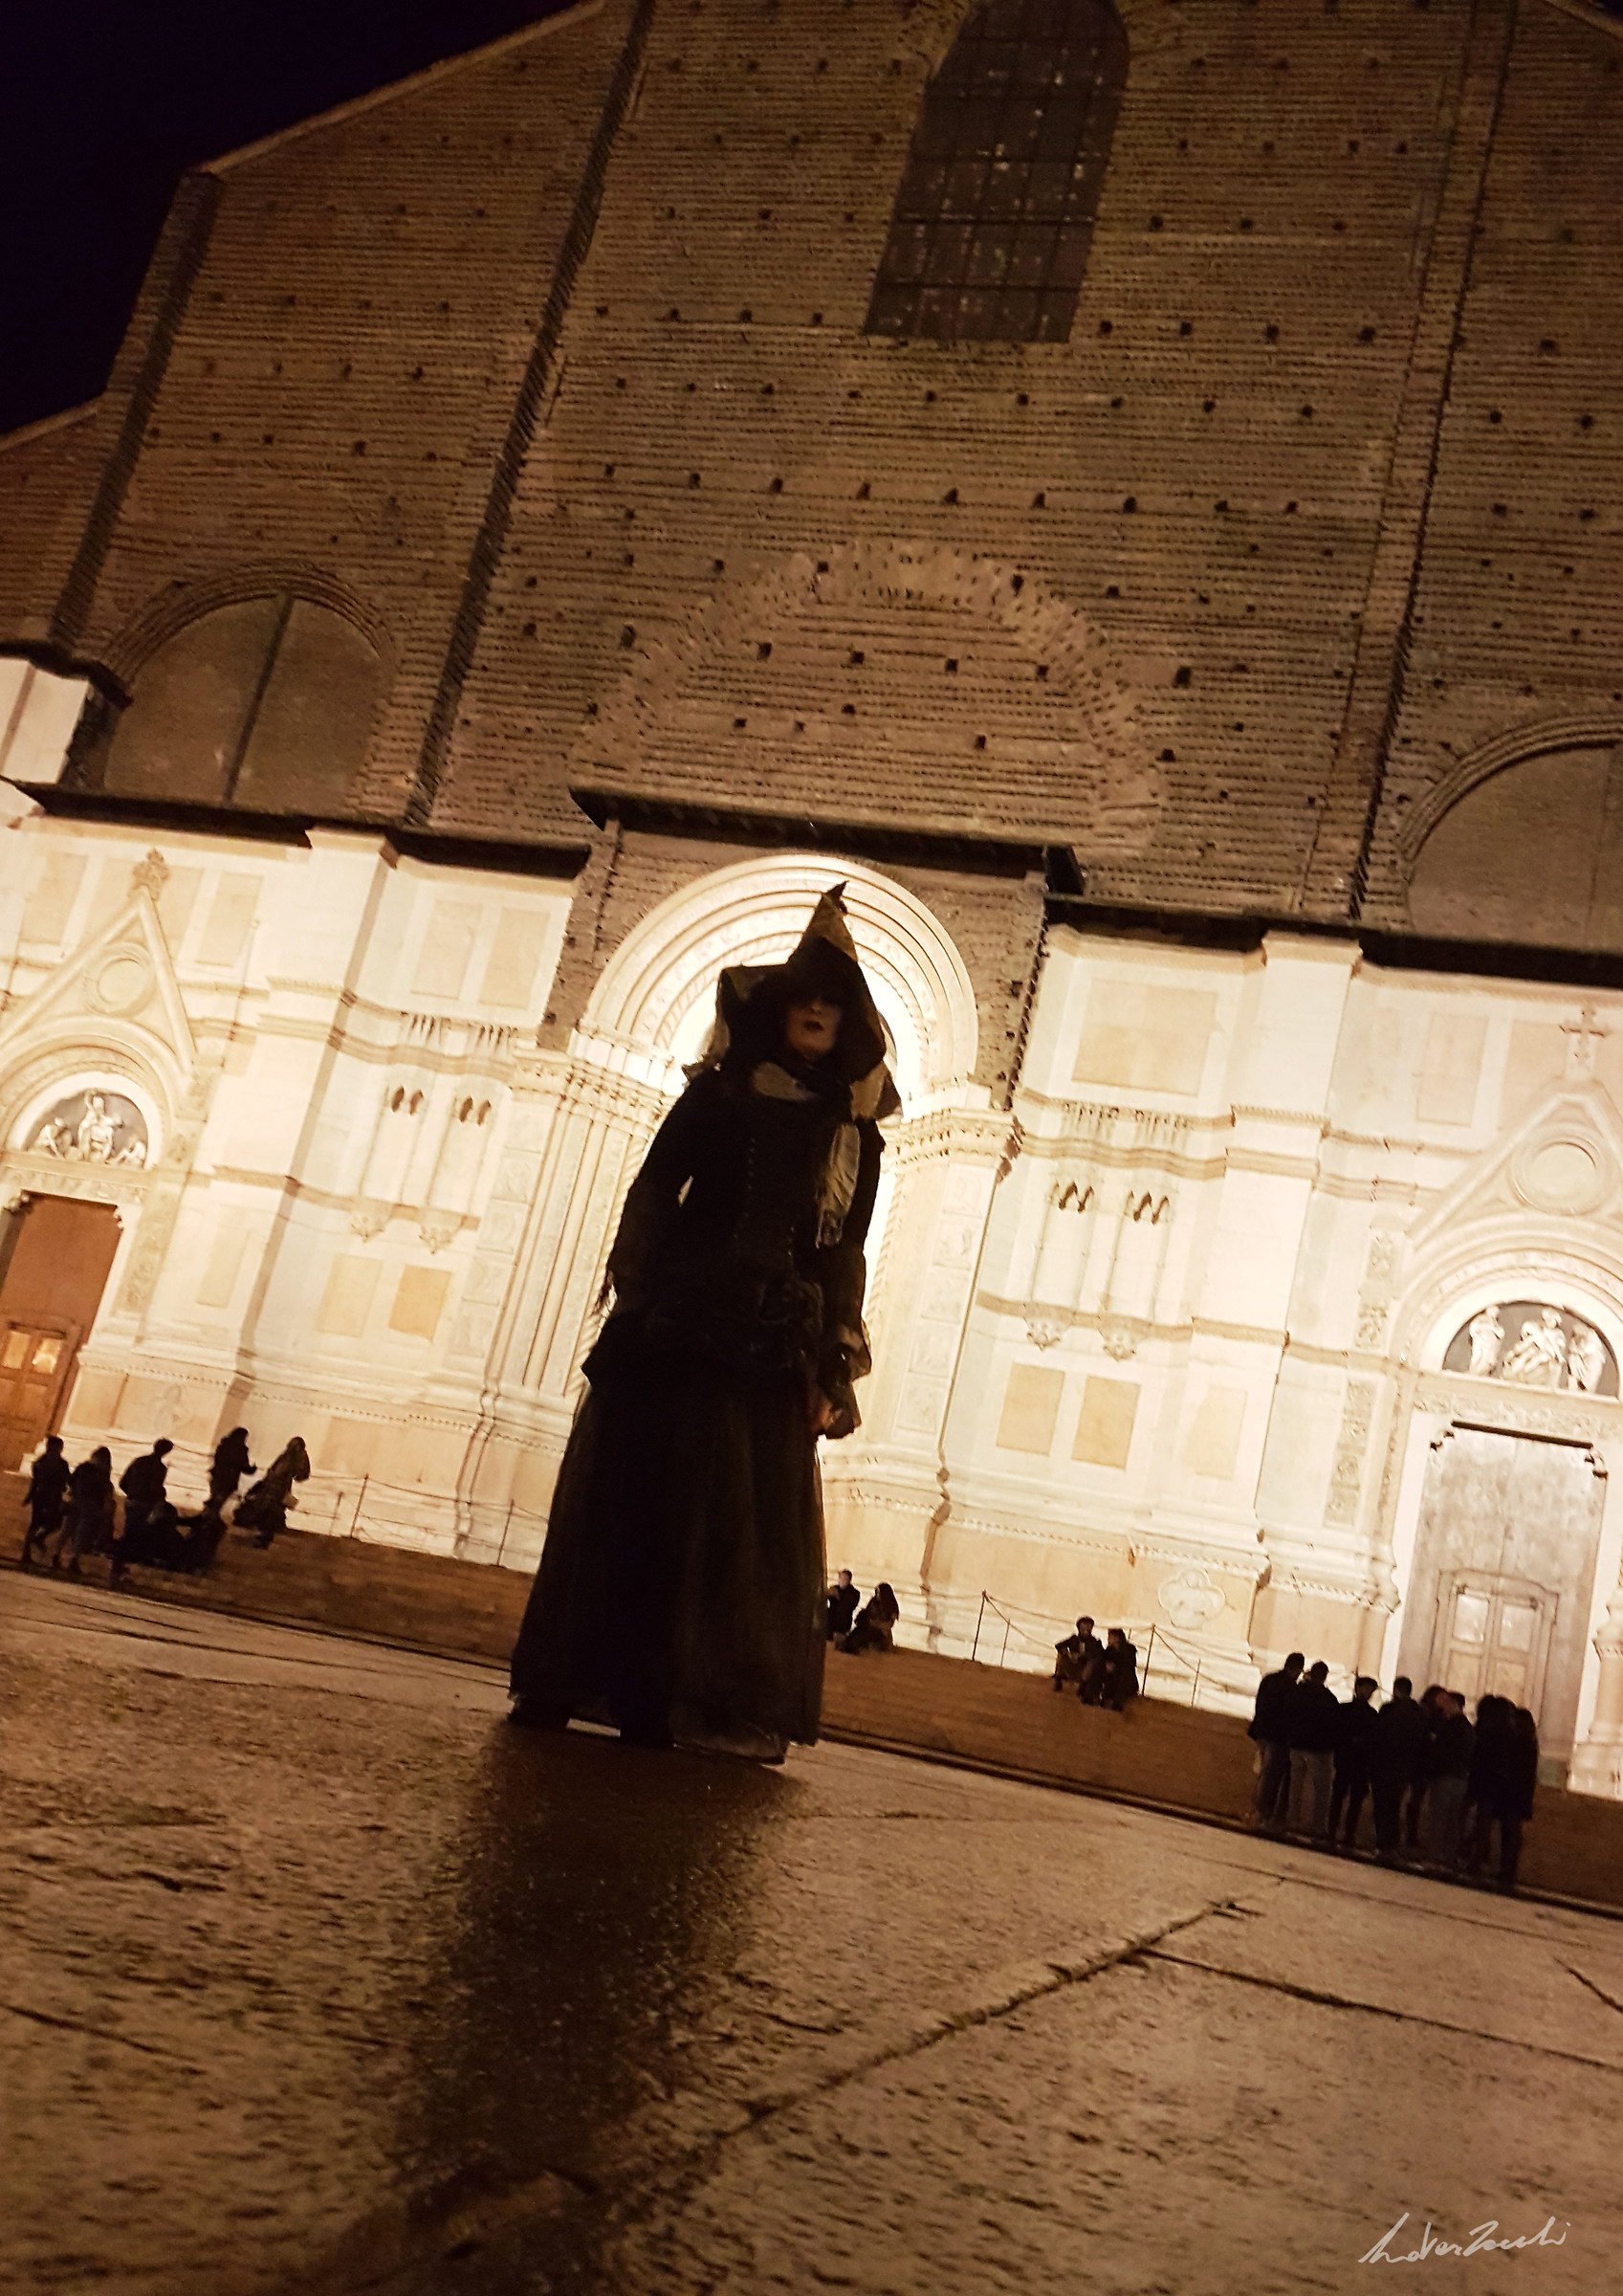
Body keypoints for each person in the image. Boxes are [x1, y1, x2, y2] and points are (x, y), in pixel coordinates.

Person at [507, 885, 898, 1760]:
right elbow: (653, 1190)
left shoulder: (852, 1140)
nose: (815, 1011)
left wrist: (832, 1371)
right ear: (775, 1008)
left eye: (831, 1004)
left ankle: (678, 1698)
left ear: (848, 1027)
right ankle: (579, 1679)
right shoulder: (715, 1097)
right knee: (637, 1506)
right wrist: (638, 1288)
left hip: (768, 1346)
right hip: (675, 1326)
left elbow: (842, 1258)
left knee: (729, 1532)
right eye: (804, 997)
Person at [1371, 1676, 1429, 1863]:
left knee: (1382, 1806)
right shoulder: (1419, 1714)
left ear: (1396, 1690)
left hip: (1384, 1766)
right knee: (1394, 1805)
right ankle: (1392, 1845)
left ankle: (1382, 1843)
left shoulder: (1388, 1711)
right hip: (1404, 1768)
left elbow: (1377, 1737)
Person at [1248, 1649, 1304, 1831]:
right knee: (1270, 1777)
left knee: (1263, 1774)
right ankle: (1262, 1814)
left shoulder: (1269, 1679)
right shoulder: (1291, 1688)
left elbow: (1259, 1703)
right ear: (1297, 1669)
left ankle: (1254, 1812)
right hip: (1278, 1737)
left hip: (1262, 1732)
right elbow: (1291, 1714)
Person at [1284, 1660, 1340, 1839]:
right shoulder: (1328, 1698)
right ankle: (1318, 1827)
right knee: (1322, 1791)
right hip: (1318, 1750)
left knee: (1295, 1787)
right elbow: (1333, 1724)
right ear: (1324, 1676)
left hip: (1297, 1744)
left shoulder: (1299, 1692)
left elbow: (1290, 1714)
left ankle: (1292, 1821)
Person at [111, 1439, 176, 1582]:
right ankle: (119, 1565)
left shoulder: (139, 1461)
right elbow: (156, 1487)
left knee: (130, 1533)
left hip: (132, 1502)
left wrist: (132, 1494)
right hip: (144, 1505)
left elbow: (123, 1481)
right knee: (133, 1535)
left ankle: (120, 1564)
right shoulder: (159, 1468)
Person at [1424, 1689, 1475, 1871]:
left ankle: (1437, 1856)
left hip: (1446, 1777)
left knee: (1440, 1819)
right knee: (1453, 1822)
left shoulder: (1451, 1726)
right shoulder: (1467, 1728)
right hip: (1460, 1778)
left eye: (1445, 1702)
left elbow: (1442, 1752)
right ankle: (1448, 1856)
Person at [1329, 1675, 1380, 1851]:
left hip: (1358, 1764)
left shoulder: (1372, 1714)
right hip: (1347, 1761)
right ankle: (1332, 1830)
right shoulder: (1345, 1710)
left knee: (1354, 1802)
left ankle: (1348, 1833)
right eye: (1366, 1689)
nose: (1368, 1693)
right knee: (1338, 1798)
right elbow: (1336, 1733)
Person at [235, 1437, 311, 1548]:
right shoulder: (289, 1456)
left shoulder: (290, 1456)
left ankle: (264, 1536)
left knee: (270, 1512)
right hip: (274, 1488)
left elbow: (301, 1474)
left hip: (276, 1488)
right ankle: (263, 1535)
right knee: (267, 1511)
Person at [1404, 1685, 1447, 1853]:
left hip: (1426, 1765)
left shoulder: (1437, 1716)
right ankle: (1411, 1835)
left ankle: (1413, 1835)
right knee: (1415, 1801)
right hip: (1420, 1764)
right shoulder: (1425, 1715)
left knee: (1418, 1801)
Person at [18, 1436, 71, 1570]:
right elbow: (66, 1480)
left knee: (47, 1522)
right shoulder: (55, 1463)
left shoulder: (42, 1462)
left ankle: (32, 1546)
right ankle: (30, 1548)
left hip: (44, 1495)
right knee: (43, 1523)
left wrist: (30, 1496)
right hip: (48, 1495)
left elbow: (35, 1481)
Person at [842, 1581, 900, 1656]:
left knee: (864, 1635)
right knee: (856, 1632)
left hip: (880, 1633)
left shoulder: (891, 1606)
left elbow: (888, 1624)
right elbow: (867, 1613)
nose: (877, 1594)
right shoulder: (873, 1602)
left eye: (879, 1592)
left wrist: (874, 1623)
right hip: (867, 1627)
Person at [208, 1427, 255, 1515]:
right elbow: (244, 1467)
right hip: (229, 1479)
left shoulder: (224, 1445)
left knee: (214, 1498)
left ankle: (208, 1516)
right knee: (219, 1501)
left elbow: (217, 1459)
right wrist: (253, 1468)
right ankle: (210, 1518)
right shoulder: (241, 1450)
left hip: (218, 1475)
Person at [1054, 1615, 1103, 1695]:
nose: (1086, 1630)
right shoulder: (1074, 1639)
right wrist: (1068, 1653)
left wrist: (1081, 1656)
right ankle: (1058, 1679)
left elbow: (1097, 1654)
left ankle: (1082, 1687)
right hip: (1072, 1664)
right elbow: (1059, 1645)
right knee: (1061, 1654)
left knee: (1091, 1663)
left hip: (1084, 1667)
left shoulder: (1095, 1642)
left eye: (1088, 1628)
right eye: (1084, 1628)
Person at [1097, 1625, 1139, 1711]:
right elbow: (1101, 1659)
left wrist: (1115, 1667)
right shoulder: (1110, 1650)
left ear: (1116, 1638)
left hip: (1126, 1681)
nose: (1108, 1639)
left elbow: (1129, 1665)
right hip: (1113, 1681)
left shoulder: (1129, 1649)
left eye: (1110, 1637)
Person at [825, 1569, 861, 1641]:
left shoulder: (854, 1593)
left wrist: (837, 1595)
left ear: (849, 1580)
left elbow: (847, 1606)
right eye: (840, 1578)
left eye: (844, 1579)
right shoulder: (835, 1588)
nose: (841, 1580)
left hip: (843, 1623)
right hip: (830, 1621)